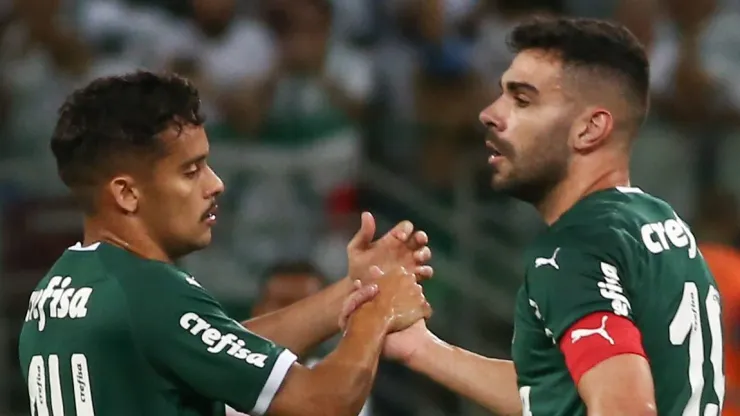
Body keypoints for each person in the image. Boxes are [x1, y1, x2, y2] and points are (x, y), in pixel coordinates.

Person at [344, 16, 726, 415]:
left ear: (589, 129)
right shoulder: (656, 220)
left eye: (522, 100)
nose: (490, 114)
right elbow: (563, 395)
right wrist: (421, 349)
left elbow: (624, 407)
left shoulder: (574, 248)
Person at [17, 71, 435, 416]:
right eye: (191, 170)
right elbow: (323, 402)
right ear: (126, 193)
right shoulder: (150, 292)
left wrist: (357, 289)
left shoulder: (59, 291)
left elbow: (216, 343)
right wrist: (379, 311)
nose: (215, 184)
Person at [226, 261, 373, 416]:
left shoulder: (341, 381)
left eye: (309, 306)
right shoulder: (223, 377)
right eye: (283, 303)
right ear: (258, 310)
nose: (298, 317)